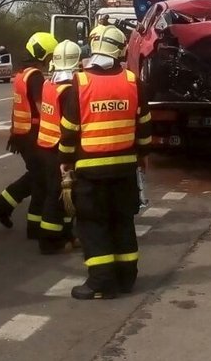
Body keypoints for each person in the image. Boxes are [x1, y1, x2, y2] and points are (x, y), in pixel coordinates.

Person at [59, 25, 152, 300]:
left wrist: (65, 160)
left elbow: (69, 129)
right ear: (121, 49)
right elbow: (143, 124)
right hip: (125, 168)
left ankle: (101, 282)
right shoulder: (133, 81)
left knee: (93, 224)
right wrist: (143, 155)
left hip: (90, 169)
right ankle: (126, 278)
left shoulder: (81, 82)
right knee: (122, 221)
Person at [0, 32, 58, 233]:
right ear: (43, 55)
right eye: (51, 56)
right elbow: (42, 107)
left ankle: (1, 205)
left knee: (36, 176)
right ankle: (34, 227)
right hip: (33, 135)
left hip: (22, 135)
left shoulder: (21, 74)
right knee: (42, 181)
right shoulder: (35, 77)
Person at [34, 39, 82, 255]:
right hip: (57, 147)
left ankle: (66, 235)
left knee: (62, 195)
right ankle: (49, 241)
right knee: (57, 195)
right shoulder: (68, 90)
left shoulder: (48, 84)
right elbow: (70, 125)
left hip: (44, 145)